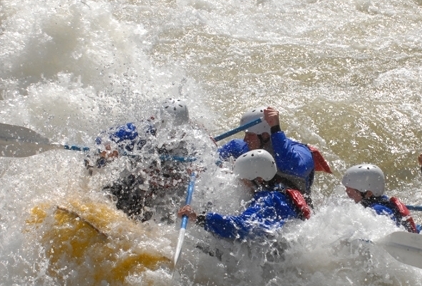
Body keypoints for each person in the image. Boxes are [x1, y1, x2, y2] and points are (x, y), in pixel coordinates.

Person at [88, 98, 202, 222]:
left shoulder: (194, 140)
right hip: (137, 186)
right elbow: (100, 141)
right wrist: (107, 150)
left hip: (169, 197)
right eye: (168, 132)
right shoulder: (139, 132)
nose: (172, 138)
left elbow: (210, 157)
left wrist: (199, 169)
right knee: (117, 193)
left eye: (177, 133)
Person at [178, 149, 311, 241]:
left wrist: (200, 218)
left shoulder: (269, 201)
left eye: (242, 179)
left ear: (258, 179)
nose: (238, 183)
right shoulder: (276, 188)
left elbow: (241, 227)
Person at [218, 107, 328, 197]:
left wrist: (275, 129)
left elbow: (293, 167)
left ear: (265, 135)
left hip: (287, 210)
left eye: (249, 135)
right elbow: (213, 157)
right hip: (258, 203)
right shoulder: (244, 147)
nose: (245, 139)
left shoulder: (301, 151)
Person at [341, 164, 419, 233]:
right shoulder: (380, 201)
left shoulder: (378, 210)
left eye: (351, 190)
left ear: (368, 193)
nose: (347, 192)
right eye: (347, 188)